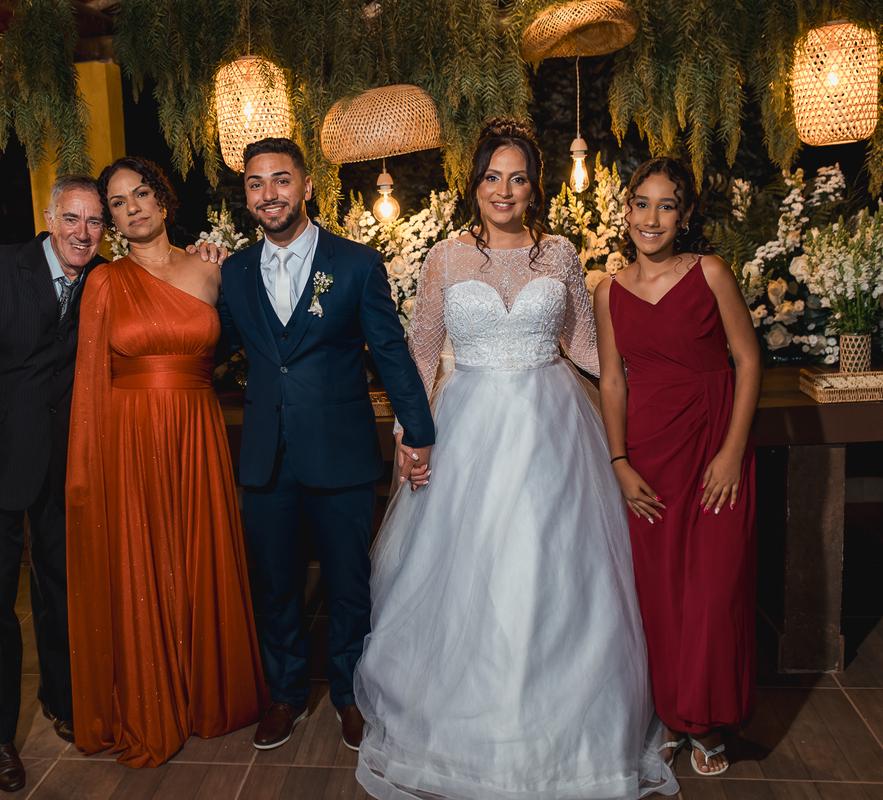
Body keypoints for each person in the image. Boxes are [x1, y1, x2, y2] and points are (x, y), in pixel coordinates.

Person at [352, 119, 679, 800]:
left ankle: (563, 725)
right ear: (474, 184)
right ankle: (465, 722)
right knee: (469, 572)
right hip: (467, 429)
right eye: (492, 177)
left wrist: (654, 380)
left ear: (535, 187)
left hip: (552, 427)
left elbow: (585, 348)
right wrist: (409, 435)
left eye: (519, 178)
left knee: (550, 567)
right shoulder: (445, 258)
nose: (504, 190)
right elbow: (419, 354)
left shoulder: (557, 254)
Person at [218, 137, 435, 753]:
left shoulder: (357, 264)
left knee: (347, 583)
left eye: (281, 180)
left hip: (340, 452)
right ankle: (285, 694)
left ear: (307, 186)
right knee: (276, 585)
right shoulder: (233, 271)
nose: (269, 194)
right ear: (246, 196)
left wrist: (419, 432)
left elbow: (390, 353)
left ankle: (350, 693)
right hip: (266, 456)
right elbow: (215, 346)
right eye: (256, 184)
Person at [65, 156, 266, 767]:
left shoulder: (212, 270)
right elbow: (89, 380)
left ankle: (207, 692)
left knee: (198, 552)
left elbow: (247, 346)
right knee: (146, 557)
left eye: (141, 194)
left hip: (197, 430)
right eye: (117, 203)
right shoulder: (104, 282)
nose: (132, 208)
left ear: (162, 198)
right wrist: (91, 468)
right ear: (112, 219)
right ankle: (154, 696)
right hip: (130, 439)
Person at [0, 175, 105, 793]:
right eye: (72, 219)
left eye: (95, 222)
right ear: (50, 218)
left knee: (62, 596)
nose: (83, 233)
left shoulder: (102, 278)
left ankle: (63, 701)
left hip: (63, 470)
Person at [595, 157, 760, 777]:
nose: (652, 217)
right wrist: (619, 461)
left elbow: (748, 361)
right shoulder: (608, 291)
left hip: (715, 446)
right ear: (626, 210)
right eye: (641, 203)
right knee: (659, 593)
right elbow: (613, 381)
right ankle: (671, 715)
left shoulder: (710, 272)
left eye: (667, 205)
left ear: (685, 214)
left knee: (714, 592)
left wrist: (732, 451)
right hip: (650, 454)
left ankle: (705, 720)